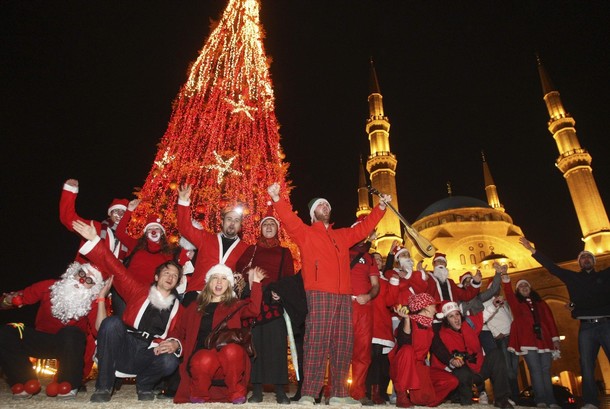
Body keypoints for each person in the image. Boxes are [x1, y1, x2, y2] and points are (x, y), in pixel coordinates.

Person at [267, 182, 390, 406]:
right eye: (320, 205)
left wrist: (380, 208)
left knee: (342, 343)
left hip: (344, 295)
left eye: (327, 205)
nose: (324, 206)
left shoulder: (342, 236)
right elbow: (288, 218)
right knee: (316, 342)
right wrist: (276, 199)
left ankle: (339, 393)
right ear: (313, 213)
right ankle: (309, 393)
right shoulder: (304, 233)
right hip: (319, 293)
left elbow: (363, 229)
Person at [74, 220, 183, 403]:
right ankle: (104, 386)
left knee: (170, 360)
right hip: (123, 347)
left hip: (149, 353)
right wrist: (95, 240)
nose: (170, 277)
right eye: (166, 273)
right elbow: (115, 267)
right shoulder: (137, 290)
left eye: (174, 275)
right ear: (156, 277)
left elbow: (182, 332)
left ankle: (145, 385)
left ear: (178, 282)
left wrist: (175, 344)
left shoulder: (179, 308)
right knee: (112, 322)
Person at [519, 237, 610, 409]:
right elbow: (553, 268)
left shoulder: (605, 277)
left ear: (594, 261)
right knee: (586, 364)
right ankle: (591, 402)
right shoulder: (573, 278)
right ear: (579, 263)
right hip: (586, 326)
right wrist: (532, 250)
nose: (586, 260)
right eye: (583, 258)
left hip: (606, 324)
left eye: (588, 257)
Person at [0, 261, 105, 399]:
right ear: (73, 272)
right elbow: (11, 301)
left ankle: (67, 383)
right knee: (6, 332)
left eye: (89, 280)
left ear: (94, 288)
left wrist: (101, 298)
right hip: (42, 339)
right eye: (81, 273)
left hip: (70, 346)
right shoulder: (49, 286)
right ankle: (24, 380)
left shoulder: (92, 302)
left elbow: (101, 332)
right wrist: (8, 300)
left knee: (71, 332)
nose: (81, 280)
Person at [168, 264, 266, 404]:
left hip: (229, 362)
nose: (219, 282)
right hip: (202, 363)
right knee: (204, 358)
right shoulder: (194, 307)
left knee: (233, 350)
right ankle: (199, 393)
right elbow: (180, 331)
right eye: (215, 278)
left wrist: (255, 283)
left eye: (224, 278)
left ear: (229, 284)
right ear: (208, 282)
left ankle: (236, 392)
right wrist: (173, 342)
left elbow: (254, 310)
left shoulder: (235, 305)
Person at [235, 206, 295, 404]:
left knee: (277, 343)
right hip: (254, 297)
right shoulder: (251, 249)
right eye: (265, 224)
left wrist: (282, 294)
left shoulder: (285, 252)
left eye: (272, 224)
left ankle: (280, 390)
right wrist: (252, 278)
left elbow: (288, 278)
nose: (269, 226)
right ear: (260, 229)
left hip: (274, 299)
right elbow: (240, 269)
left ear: (277, 229)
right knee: (256, 342)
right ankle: (257, 389)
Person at [429, 301, 514, 409]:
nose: (456, 319)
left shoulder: (468, 325)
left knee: (496, 354)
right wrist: (452, 363)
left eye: (457, 314)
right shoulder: (442, 335)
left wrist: (494, 306)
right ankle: (466, 404)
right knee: (461, 370)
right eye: (451, 316)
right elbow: (441, 360)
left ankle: (502, 400)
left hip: (479, 368)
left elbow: (483, 316)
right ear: (447, 320)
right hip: (462, 373)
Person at [177, 184, 249, 304]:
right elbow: (185, 228)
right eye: (229, 219)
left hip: (225, 299)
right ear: (222, 222)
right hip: (197, 293)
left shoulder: (246, 249)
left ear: (240, 226)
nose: (232, 223)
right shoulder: (206, 238)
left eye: (236, 221)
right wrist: (183, 202)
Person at [501, 269, 561, 409]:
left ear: (530, 288)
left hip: (544, 340)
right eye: (520, 287)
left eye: (525, 285)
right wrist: (505, 277)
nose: (524, 288)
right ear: (518, 291)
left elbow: (550, 320)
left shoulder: (541, 303)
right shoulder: (517, 304)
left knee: (546, 369)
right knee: (535, 369)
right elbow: (508, 293)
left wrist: (555, 338)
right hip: (528, 341)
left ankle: (551, 400)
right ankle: (540, 400)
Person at [390, 292, 456, 408]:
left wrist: (451, 360)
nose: (436, 310)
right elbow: (404, 343)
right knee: (407, 350)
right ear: (425, 307)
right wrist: (406, 320)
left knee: (451, 381)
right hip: (402, 367)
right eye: (433, 306)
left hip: (420, 368)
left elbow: (438, 347)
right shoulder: (407, 321)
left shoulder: (430, 327)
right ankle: (402, 396)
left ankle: (429, 401)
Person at [59, 178, 129, 263]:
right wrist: (70, 191)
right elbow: (68, 218)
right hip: (85, 273)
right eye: (117, 211)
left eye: (123, 213)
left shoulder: (128, 240)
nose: (120, 215)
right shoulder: (95, 227)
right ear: (110, 214)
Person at [347, 227, 380, 405]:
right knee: (341, 349)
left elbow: (376, 285)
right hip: (344, 306)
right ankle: (336, 390)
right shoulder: (342, 251)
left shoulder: (369, 258)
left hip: (364, 308)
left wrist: (368, 296)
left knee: (363, 351)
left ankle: (358, 391)